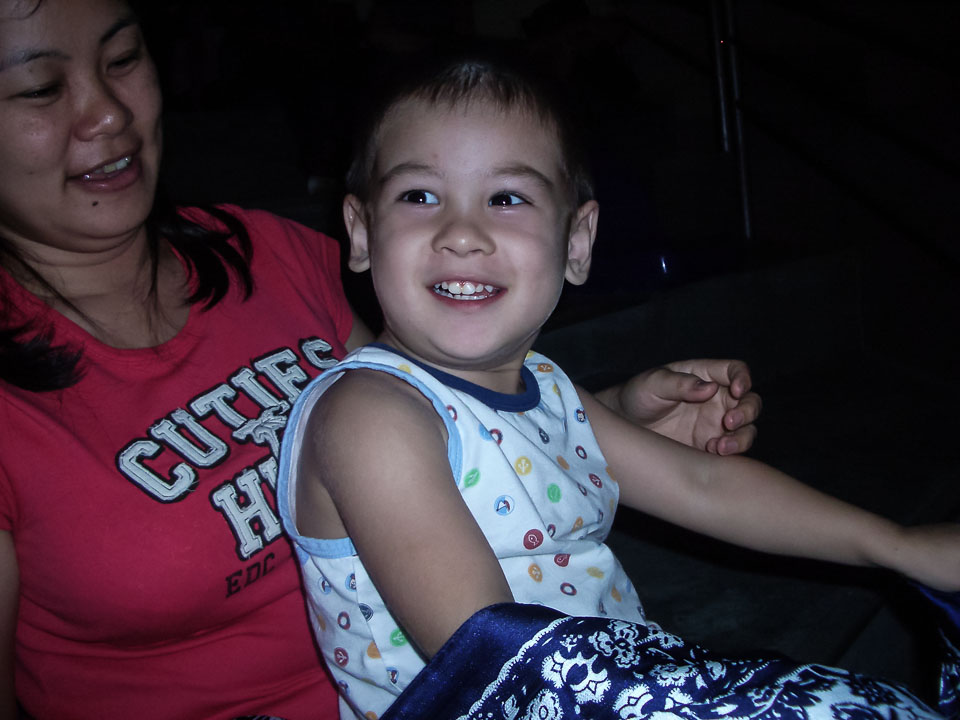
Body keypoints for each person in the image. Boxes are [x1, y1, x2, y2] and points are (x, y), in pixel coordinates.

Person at [0, 2, 763, 718]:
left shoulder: (267, 254)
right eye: (40, 88)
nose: (108, 112)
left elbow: (437, 412)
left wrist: (592, 424)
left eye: (123, 60)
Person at [275, 58, 960, 719]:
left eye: (507, 198)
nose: (461, 234)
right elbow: (494, 657)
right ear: (360, 232)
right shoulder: (370, 413)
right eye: (419, 196)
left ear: (577, 242)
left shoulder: (550, 388)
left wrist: (898, 545)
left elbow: (702, 483)